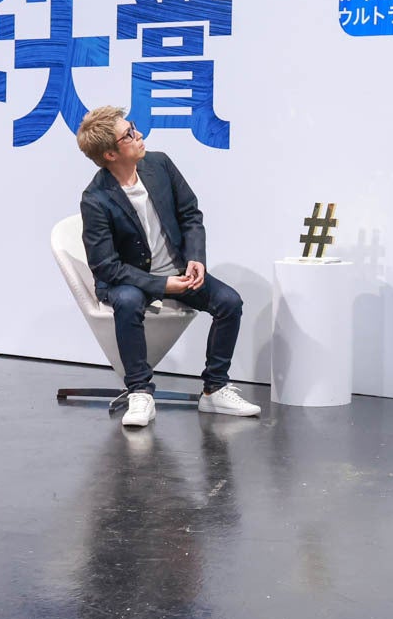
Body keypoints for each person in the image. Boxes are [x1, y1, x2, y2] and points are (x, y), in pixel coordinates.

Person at [76, 105, 259, 428]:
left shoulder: (159, 165)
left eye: (133, 127)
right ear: (110, 154)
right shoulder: (96, 198)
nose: (139, 134)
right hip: (129, 279)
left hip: (176, 270)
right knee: (128, 301)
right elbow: (106, 267)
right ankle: (139, 391)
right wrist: (161, 285)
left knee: (229, 302)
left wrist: (195, 258)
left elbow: (190, 215)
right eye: (129, 135)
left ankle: (214, 388)